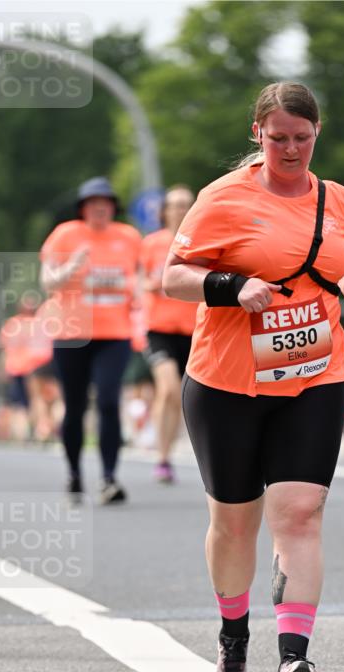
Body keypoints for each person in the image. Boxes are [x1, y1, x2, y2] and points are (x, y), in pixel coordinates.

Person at [163, 81, 344, 672]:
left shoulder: (338, 201)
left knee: (300, 515)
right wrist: (230, 285)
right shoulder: (222, 198)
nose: (290, 149)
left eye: (302, 139)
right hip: (227, 381)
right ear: (258, 133)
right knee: (235, 522)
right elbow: (172, 278)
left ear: (317, 134)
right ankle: (232, 642)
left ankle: (293, 661)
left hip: (314, 374)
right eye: (278, 138)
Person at [39, 177, 142, 503]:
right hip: (72, 333)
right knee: (75, 405)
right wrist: (71, 267)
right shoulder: (66, 234)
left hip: (115, 334)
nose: (99, 207)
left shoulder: (128, 237)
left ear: (113, 207)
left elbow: (137, 279)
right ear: (83, 208)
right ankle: (73, 473)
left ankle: (109, 478)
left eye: (106, 202)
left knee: (110, 402)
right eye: (92, 202)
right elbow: (47, 282)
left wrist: (140, 299)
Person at [141, 186, 198, 483]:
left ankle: (168, 452)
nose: (180, 210)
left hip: (195, 329)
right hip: (159, 329)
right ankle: (162, 458)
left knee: (188, 397)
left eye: (186, 204)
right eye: (175, 205)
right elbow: (136, 282)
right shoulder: (151, 244)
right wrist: (152, 283)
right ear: (165, 211)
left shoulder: (203, 241)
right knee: (169, 390)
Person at [0, 292, 55, 441]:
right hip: (34, 366)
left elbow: (3, 348)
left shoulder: (11, 324)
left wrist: (1, 369)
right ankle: (40, 429)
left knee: (21, 403)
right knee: (38, 399)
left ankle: (25, 433)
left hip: (16, 368)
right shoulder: (38, 323)